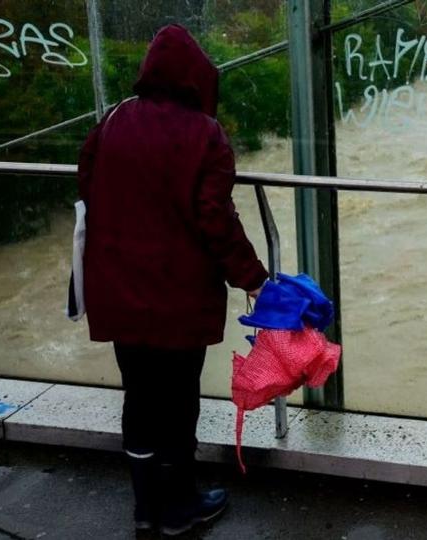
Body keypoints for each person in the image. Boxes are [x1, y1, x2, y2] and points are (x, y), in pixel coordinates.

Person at [77, 24, 268, 536]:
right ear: (196, 79)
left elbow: (86, 183)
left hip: (118, 290)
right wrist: (253, 279)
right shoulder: (206, 135)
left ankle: (145, 507)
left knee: (138, 395)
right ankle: (180, 508)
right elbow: (215, 217)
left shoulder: (112, 120)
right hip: (177, 295)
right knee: (178, 400)